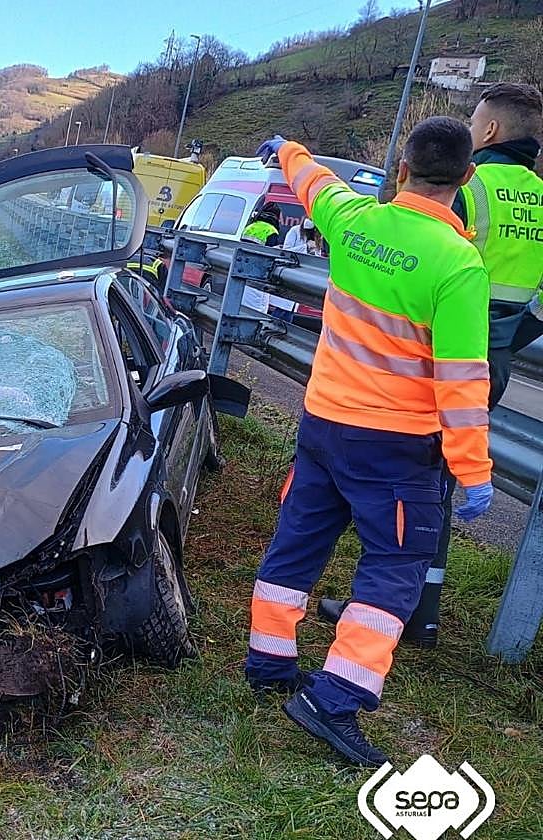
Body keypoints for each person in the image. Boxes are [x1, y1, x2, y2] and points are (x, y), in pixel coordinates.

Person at [245, 119, 494, 767]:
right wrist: (472, 470)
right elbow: (464, 380)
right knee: (396, 564)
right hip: (396, 447)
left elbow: (313, 182)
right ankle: (335, 697)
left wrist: (285, 149)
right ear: (466, 179)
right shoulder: (457, 263)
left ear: (402, 169)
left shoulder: (355, 219)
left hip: (324, 424)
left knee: (298, 538)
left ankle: (269, 662)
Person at [319, 83, 543, 647]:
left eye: (473, 121)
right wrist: (513, 334)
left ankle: (394, 608)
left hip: (429, 362)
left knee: (405, 490)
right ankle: (424, 610)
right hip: (498, 358)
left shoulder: (469, 186)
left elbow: (415, 265)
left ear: (487, 133)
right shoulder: (540, 198)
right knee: (436, 488)